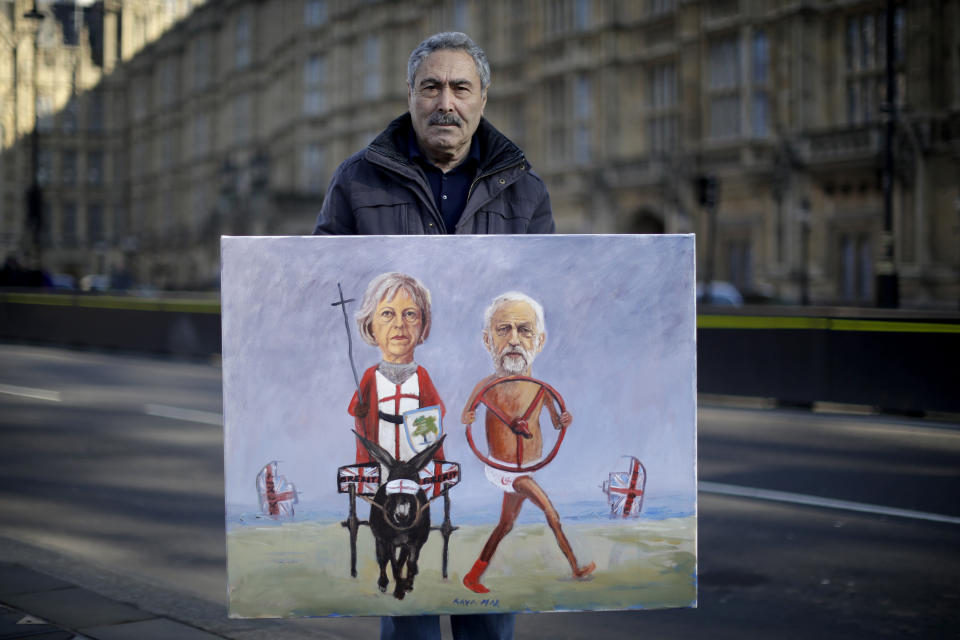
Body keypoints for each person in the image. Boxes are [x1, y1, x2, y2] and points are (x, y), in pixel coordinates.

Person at [314, 31, 556, 640]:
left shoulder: (526, 191)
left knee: (489, 618)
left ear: (481, 98)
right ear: (412, 95)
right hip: (401, 458)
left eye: (459, 87)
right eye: (431, 86)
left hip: (488, 435)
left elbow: (538, 299)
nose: (445, 101)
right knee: (410, 611)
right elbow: (320, 293)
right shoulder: (357, 181)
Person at [461, 292, 595, 593]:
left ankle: (472, 576)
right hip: (506, 471)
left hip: (528, 468)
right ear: (488, 340)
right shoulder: (487, 388)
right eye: (503, 330)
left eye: (524, 330)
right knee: (551, 513)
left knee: (505, 525)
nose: (513, 341)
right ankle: (575, 567)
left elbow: (556, 421)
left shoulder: (542, 390)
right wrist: (470, 418)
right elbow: (467, 416)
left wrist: (563, 421)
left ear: (540, 341)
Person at [349, 272, 446, 467]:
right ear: (370, 325)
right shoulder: (371, 376)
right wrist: (361, 410)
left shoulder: (421, 376)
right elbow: (356, 410)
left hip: (416, 459)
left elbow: (435, 413)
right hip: (382, 454)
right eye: (387, 314)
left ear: (423, 324)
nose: (399, 324)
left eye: (410, 314)